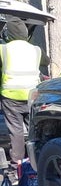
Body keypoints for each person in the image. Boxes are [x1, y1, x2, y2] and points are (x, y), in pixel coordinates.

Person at [0, 16, 44, 173]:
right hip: (32, 96)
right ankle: (39, 159)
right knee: (34, 128)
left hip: (11, 95)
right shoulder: (36, 50)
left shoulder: (3, 49)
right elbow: (45, 61)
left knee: (16, 131)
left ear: (8, 33)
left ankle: (17, 164)